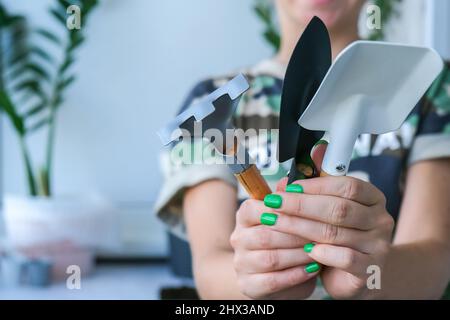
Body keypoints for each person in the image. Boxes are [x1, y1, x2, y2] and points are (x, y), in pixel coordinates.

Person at [155, 0, 450, 299]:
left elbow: (435, 263)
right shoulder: (209, 99)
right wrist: (259, 281)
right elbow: (209, 272)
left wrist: (373, 275)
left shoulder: (427, 88)